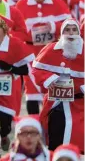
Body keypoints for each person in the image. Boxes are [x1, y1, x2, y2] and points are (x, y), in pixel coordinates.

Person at [0, 16, 35, 160]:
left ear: (4, 29)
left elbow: (27, 68)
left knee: (5, 123)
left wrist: (11, 67)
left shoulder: (15, 44)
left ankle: (4, 134)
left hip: (9, 89)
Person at [16, 0, 71, 114]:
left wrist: (53, 26)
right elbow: (15, 30)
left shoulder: (58, 3)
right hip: (30, 53)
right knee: (32, 89)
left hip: (53, 52)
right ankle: (34, 126)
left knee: (54, 87)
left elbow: (70, 25)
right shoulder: (22, 4)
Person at [32, 19, 84, 153]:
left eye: (74, 30)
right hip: (55, 101)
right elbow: (37, 69)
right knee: (54, 133)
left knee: (77, 135)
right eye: (67, 30)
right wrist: (52, 80)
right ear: (62, 32)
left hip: (79, 104)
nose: (71, 33)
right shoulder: (51, 49)